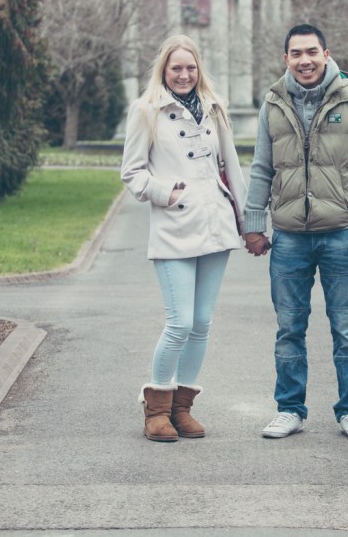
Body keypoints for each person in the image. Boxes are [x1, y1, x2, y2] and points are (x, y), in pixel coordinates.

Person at [242, 23, 348, 442]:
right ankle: (289, 409)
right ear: (285, 58)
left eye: (311, 52)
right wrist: (255, 225)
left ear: (326, 54)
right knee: (289, 327)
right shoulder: (273, 104)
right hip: (289, 238)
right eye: (296, 53)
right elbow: (261, 169)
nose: (304, 60)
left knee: (347, 328)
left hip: (341, 235)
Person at [121, 34, 247, 442]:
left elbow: (232, 166)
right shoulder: (145, 111)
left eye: (190, 67)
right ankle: (155, 410)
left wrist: (248, 222)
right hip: (175, 227)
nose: (184, 74)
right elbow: (132, 173)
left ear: (198, 69)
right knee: (180, 322)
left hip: (215, 225)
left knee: (202, 323)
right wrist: (168, 194)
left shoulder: (215, 108)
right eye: (176, 67)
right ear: (164, 69)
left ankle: (182, 408)